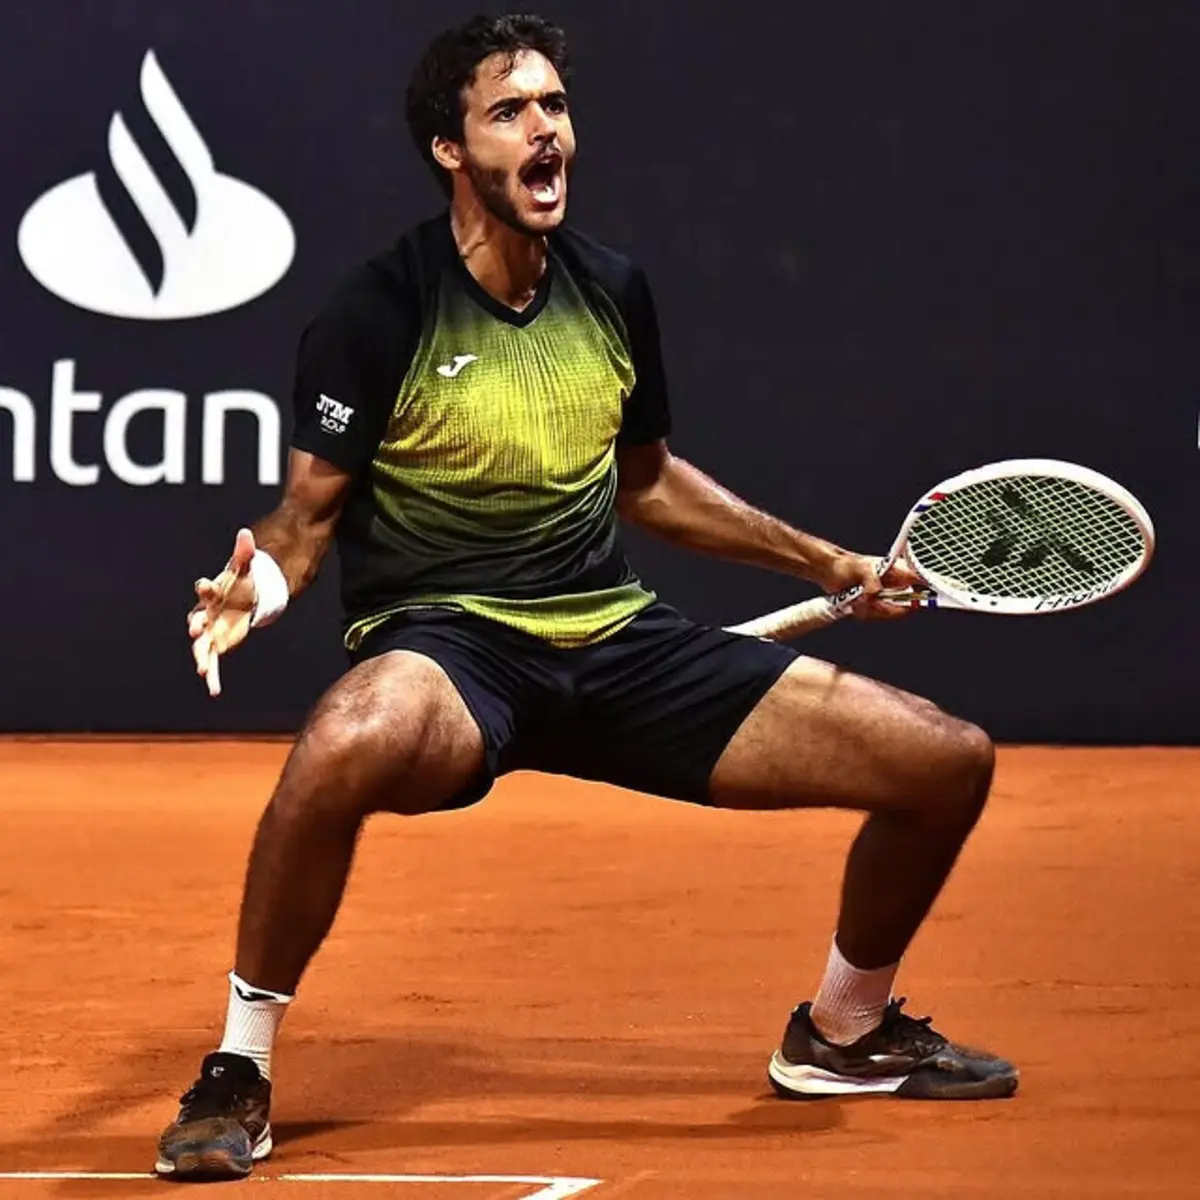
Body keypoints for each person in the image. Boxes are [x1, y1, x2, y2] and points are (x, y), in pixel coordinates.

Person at [155, 11, 1017, 1182]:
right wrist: (256, 583)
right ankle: (240, 1069)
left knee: (945, 760)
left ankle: (845, 1032)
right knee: (339, 744)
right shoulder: (378, 310)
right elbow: (303, 520)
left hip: (616, 642)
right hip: (448, 652)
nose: (545, 129)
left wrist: (827, 562)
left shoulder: (612, 289)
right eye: (509, 112)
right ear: (450, 151)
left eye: (555, 105)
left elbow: (647, 484)